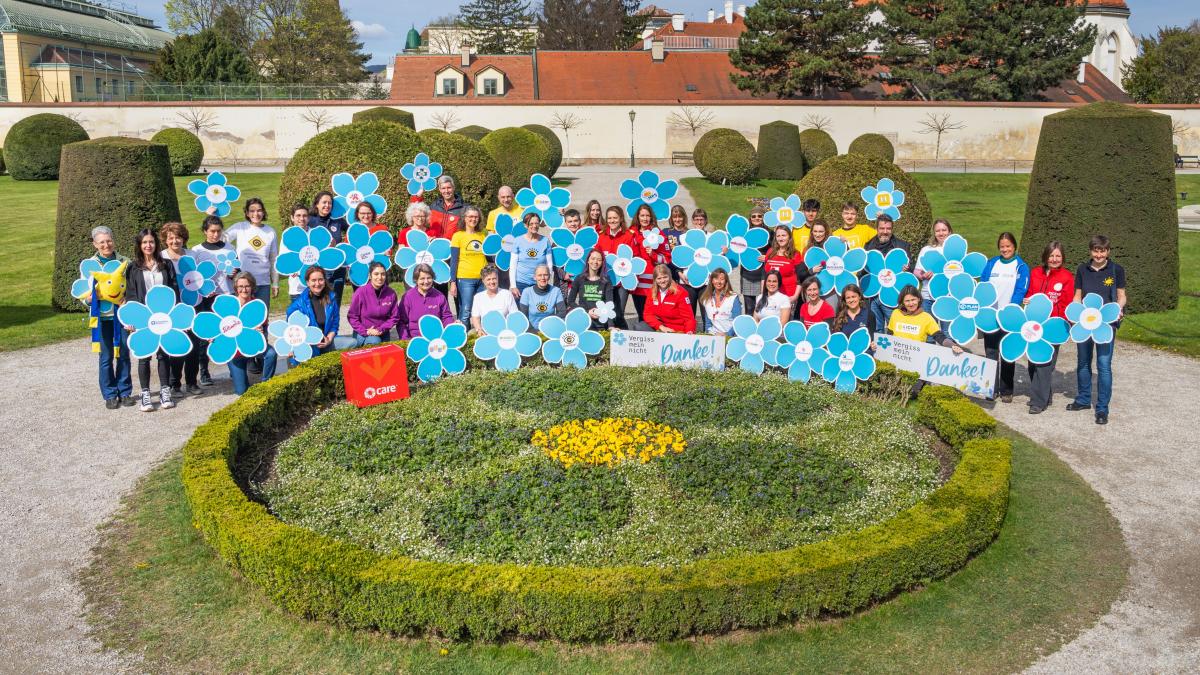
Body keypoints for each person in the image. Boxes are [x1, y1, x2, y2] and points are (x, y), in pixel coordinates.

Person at [1066, 235, 1126, 425]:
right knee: (1083, 362)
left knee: (1103, 366)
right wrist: (1075, 313)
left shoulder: (1116, 270)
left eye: (1102, 251)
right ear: (1091, 251)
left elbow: (1121, 295)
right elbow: (1077, 295)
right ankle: (1083, 399)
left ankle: (1102, 408)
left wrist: (1119, 309)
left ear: (1108, 252)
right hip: (1085, 323)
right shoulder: (1082, 269)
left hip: (1106, 325)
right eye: (1095, 250)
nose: (1098, 254)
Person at [125, 229, 179, 412]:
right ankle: (146, 393)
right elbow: (131, 294)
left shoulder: (166, 265)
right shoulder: (133, 267)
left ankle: (165, 390)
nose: (148, 246)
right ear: (139, 246)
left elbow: (174, 291)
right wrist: (130, 319)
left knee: (164, 355)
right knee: (144, 356)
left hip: (163, 317)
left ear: (156, 244)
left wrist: (176, 318)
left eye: (151, 242)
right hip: (143, 318)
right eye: (144, 243)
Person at [84, 226, 133, 409]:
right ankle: (110, 394)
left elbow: (132, 287)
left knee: (123, 354)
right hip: (101, 318)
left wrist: (128, 300)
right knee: (106, 357)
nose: (106, 245)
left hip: (121, 316)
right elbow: (83, 290)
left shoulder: (125, 262)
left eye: (109, 240)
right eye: (102, 242)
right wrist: (89, 300)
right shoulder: (89, 266)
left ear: (113, 240)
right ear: (95, 244)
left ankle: (125, 391)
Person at [886, 285, 964, 396]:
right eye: (907, 301)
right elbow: (889, 336)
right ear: (902, 302)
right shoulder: (896, 314)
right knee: (895, 393)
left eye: (913, 299)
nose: (911, 303)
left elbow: (939, 336)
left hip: (917, 363)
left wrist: (952, 345)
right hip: (898, 360)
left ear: (919, 299)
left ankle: (923, 383)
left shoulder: (926, 317)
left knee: (912, 394)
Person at [980, 232, 1031, 403]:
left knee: (1008, 353)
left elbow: (1020, 290)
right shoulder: (992, 263)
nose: (1005, 249)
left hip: (1009, 317)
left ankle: (1006, 390)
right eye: (1002, 246)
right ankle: (990, 388)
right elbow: (984, 285)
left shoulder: (1021, 266)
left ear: (1014, 247)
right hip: (991, 316)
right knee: (991, 352)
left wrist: (1010, 310)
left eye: (1008, 246)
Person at [1025, 240, 1074, 415]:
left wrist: (1064, 324)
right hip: (1034, 325)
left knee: (1045, 364)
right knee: (1032, 362)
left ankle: (1038, 402)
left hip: (1054, 326)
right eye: (1051, 255)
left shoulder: (1067, 277)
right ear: (1046, 256)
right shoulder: (1035, 272)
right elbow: (1029, 293)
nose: (1054, 259)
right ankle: (1045, 394)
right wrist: (1026, 300)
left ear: (1063, 258)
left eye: (1058, 256)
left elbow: (1068, 304)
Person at [159, 221, 206, 396]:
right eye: (171, 238)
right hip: (173, 309)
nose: (175, 241)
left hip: (194, 305)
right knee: (178, 345)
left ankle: (192, 382)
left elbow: (201, 278)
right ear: (165, 240)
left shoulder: (192, 254)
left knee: (194, 345)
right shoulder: (161, 257)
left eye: (178, 237)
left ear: (183, 238)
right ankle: (175, 383)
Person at [286, 266, 356, 362]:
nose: (317, 283)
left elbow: (335, 325)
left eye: (320, 280)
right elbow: (291, 331)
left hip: (327, 341)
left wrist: (329, 339)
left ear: (325, 281)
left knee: (352, 343)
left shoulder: (331, 299)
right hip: (309, 344)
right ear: (307, 282)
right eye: (313, 280)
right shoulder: (297, 305)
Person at [224, 271, 277, 395]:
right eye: (240, 286)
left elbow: (262, 325)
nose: (244, 289)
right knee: (242, 392)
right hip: (236, 353)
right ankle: (240, 376)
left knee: (271, 354)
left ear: (252, 287)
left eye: (247, 286)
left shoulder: (257, 305)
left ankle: (266, 383)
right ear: (236, 288)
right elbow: (218, 327)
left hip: (252, 346)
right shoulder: (228, 305)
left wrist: (259, 330)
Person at [224, 197, 279, 305]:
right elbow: (221, 241)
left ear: (263, 212)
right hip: (242, 284)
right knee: (242, 318)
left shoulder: (270, 232)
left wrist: (275, 283)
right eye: (252, 211)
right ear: (247, 213)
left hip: (263, 283)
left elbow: (274, 260)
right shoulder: (240, 227)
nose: (256, 214)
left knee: (261, 318)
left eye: (259, 210)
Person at [863, 213, 911, 332]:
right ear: (877, 229)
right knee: (876, 330)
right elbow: (864, 271)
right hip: (873, 296)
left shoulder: (902, 246)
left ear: (892, 229)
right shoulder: (868, 246)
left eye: (888, 228)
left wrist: (908, 268)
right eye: (882, 228)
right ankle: (879, 351)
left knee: (896, 329)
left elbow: (911, 269)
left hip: (893, 296)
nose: (885, 231)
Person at [597, 206, 638, 329]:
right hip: (605, 281)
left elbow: (634, 257)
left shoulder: (629, 236)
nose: (612, 221)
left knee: (618, 314)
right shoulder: (601, 236)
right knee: (605, 314)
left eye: (615, 218)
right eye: (609, 218)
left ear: (621, 218)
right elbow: (596, 256)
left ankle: (625, 340)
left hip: (622, 283)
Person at [629, 203, 671, 321]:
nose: (645, 218)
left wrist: (653, 254)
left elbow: (667, 259)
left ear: (651, 217)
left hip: (653, 282)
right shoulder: (631, 232)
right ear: (637, 217)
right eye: (642, 215)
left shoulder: (658, 234)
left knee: (654, 317)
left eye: (647, 215)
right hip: (637, 282)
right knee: (641, 316)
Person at [308, 191, 349, 308]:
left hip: (338, 269)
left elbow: (353, 232)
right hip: (318, 269)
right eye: (324, 202)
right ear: (317, 204)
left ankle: (334, 327)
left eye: (329, 203)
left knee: (335, 304)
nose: (327, 205)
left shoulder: (338, 220)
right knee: (319, 306)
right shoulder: (310, 221)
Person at [449, 206, 488, 322]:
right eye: (470, 216)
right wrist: (453, 282)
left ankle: (481, 336)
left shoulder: (482, 235)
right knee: (466, 310)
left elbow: (488, 256)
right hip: (465, 278)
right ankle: (464, 336)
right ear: (464, 218)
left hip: (483, 279)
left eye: (476, 217)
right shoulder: (457, 236)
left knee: (483, 310)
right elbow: (454, 260)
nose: (473, 219)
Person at [347, 262, 401, 346]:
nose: (380, 277)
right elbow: (352, 317)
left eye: (383, 274)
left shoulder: (391, 293)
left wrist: (381, 329)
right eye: (376, 274)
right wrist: (366, 331)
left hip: (382, 332)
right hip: (363, 332)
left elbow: (395, 317)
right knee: (374, 341)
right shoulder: (360, 292)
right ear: (370, 276)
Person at [399, 263, 455, 339]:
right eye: (422, 278)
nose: (426, 281)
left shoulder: (440, 296)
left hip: (437, 338)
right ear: (416, 280)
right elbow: (401, 322)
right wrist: (405, 340)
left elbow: (446, 317)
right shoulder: (408, 297)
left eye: (429, 278)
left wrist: (452, 327)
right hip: (415, 338)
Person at [639, 263, 696, 334]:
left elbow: (689, 318)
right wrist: (661, 327)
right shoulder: (652, 291)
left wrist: (689, 332)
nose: (662, 281)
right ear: (655, 280)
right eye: (659, 278)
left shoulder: (680, 292)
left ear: (670, 277)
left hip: (677, 331)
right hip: (661, 328)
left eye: (665, 277)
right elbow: (647, 314)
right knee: (640, 327)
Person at [567, 249, 614, 330]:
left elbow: (609, 304)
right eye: (593, 258)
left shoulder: (606, 280)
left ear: (602, 262)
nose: (595, 262)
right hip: (583, 321)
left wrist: (611, 326)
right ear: (588, 260)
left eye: (599, 260)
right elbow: (570, 301)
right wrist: (586, 311)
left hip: (601, 324)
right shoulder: (579, 279)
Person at [762, 225, 806, 312]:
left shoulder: (795, 254)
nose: (781, 238)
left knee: (785, 322)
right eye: (778, 236)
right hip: (771, 295)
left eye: (783, 235)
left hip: (788, 296)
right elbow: (764, 274)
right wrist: (762, 293)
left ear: (789, 237)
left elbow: (800, 278)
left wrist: (795, 296)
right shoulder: (770, 252)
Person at [914, 218, 954, 314]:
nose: (941, 233)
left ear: (949, 231)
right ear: (934, 233)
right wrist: (923, 276)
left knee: (946, 329)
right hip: (928, 298)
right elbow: (916, 271)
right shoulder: (926, 250)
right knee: (929, 329)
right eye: (938, 231)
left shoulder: (956, 251)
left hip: (950, 298)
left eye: (944, 230)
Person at [510, 212, 553, 297]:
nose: (534, 226)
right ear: (525, 225)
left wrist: (547, 281)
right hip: (521, 283)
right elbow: (513, 265)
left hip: (539, 283)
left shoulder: (545, 241)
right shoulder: (518, 241)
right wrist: (513, 286)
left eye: (537, 223)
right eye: (531, 223)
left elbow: (550, 265)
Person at [739, 207, 770, 316]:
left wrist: (768, 257)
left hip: (764, 276)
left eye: (759, 216)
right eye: (754, 216)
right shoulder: (744, 233)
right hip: (748, 275)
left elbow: (777, 250)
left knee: (764, 308)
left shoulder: (770, 233)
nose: (757, 218)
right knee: (749, 307)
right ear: (750, 218)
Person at [470, 264, 519, 334]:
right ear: (483, 281)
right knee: (470, 333)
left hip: (504, 332)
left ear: (498, 278)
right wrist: (479, 329)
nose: (492, 282)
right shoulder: (478, 297)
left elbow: (514, 315)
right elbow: (476, 317)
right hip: (485, 333)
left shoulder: (507, 294)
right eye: (488, 279)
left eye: (494, 278)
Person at [803, 220, 838, 312]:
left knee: (831, 319)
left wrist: (843, 243)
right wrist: (811, 271)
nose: (817, 234)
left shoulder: (834, 248)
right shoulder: (807, 250)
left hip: (830, 291)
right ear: (811, 232)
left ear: (826, 232)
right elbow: (800, 274)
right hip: (812, 291)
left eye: (821, 231)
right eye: (815, 231)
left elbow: (843, 262)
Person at [519, 264, 567, 331]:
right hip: (532, 330)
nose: (543, 278)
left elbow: (562, 312)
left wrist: (548, 324)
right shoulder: (526, 292)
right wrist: (533, 331)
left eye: (545, 275)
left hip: (551, 329)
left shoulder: (556, 291)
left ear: (549, 276)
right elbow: (523, 316)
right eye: (539, 275)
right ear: (534, 277)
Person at [283, 204, 315, 303]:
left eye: (305, 215)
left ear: (308, 218)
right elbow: (284, 259)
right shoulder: (288, 234)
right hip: (297, 288)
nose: (302, 218)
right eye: (298, 215)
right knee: (300, 317)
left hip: (316, 286)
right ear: (292, 218)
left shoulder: (314, 234)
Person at [700, 268, 741, 336]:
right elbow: (708, 323)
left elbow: (737, 321)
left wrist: (727, 334)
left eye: (722, 279)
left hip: (729, 335)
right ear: (712, 281)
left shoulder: (733, 297)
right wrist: (709, 335)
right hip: (713, 336)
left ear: (725, 281)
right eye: (716, 278)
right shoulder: (706, 299)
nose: (719, 282)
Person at [553, 208, 584, 295]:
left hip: (581, 283)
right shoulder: (558, 241)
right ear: (565, 223)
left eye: (576, 221)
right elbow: (553, 262)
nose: (573, 224)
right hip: (564, 284)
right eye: (570, 221)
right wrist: (564, 275)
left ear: (580, 221)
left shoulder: (584, 240)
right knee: (564, 308)